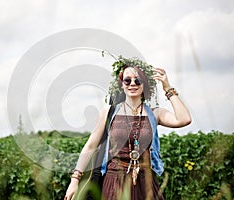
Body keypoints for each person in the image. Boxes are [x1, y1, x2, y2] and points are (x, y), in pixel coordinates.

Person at [64, 56, 191, 200]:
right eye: (127, 80)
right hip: (114, 182)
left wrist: (168, 88)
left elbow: (184, 119)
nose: (132, 84)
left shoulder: (155, 114)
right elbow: (90, 146)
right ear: (122, 84)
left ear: (145, 84)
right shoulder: (109, 112)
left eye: (138, 80)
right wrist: (74, 180)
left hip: (146, 183)